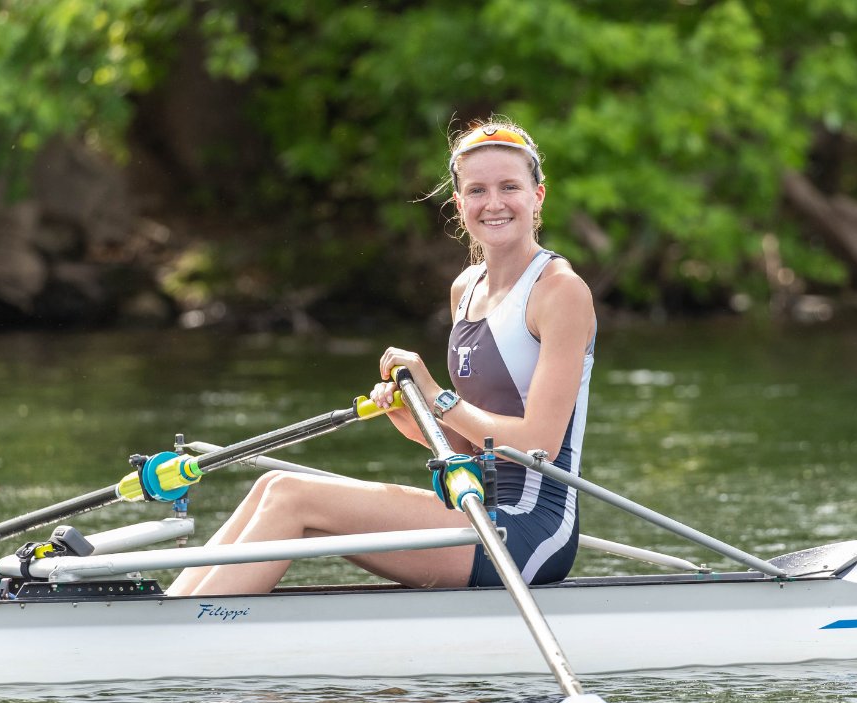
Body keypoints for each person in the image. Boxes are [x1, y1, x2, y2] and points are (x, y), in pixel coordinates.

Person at [167, 119, 596, 596]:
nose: (493, 203)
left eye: (509, 187)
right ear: (459, 205)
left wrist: (435, 396)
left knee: (291, 495)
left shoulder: (560, 291)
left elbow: (538, 447)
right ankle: (174, 610)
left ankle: (193, 627)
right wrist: (414, 420)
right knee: (270, 484)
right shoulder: (465, 288)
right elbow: (471, 446)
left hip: (533, 531)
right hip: (480, 507)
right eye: (477, 190)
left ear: (537, 196)